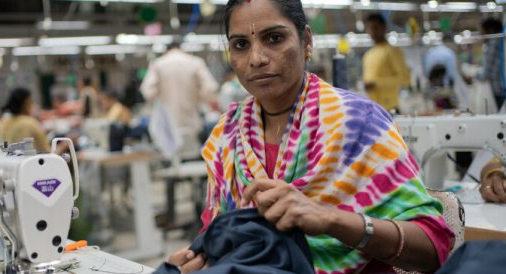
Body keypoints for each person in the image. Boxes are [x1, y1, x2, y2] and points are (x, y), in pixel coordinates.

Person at [167, 1, 454, 273]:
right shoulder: (228, 133)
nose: (256, 59)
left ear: (306, 41)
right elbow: (217, 231)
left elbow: (434, 245)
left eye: (274, 38)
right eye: (241, 45)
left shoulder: (358, 124)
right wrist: (200, 257)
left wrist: (329, 219)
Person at [140, 38, 219, 141]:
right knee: (192, 152)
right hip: (191, 120)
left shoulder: (158, 64)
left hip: (166, 123)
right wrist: (199, 98)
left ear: (166, 50)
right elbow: (211, 87)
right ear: (181, 48)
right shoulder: (195, 62)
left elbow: (147, 92)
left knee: (171, 153)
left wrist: (159, 95)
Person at [362, 13, 411, 113]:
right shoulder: (368, 55)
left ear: (384, 28)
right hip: (373, 109)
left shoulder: (392, 51)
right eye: (369, 28)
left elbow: (405, 78)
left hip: (390, 109)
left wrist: (376, 83)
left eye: (376, 27)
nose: (372, 31)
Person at [423, 34, 470, 110]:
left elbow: (426, 72)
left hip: (432, 89)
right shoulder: (449, 53)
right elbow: (452, 74)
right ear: (449, 41)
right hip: (445, 90)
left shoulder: (430, 52)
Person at [0, 88, 52, 152]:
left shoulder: (4, 121)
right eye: (31, 102)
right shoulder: (29, 123)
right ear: (26, 103)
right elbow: (48, 152)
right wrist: (64, 144)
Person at [477, 17, 505, 109]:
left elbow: (487, 70)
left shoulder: (493, 43)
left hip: (498, 87)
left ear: (490, 30)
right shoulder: (500, 41)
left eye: (482, 31)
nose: (481, 34)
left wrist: (476, 76)